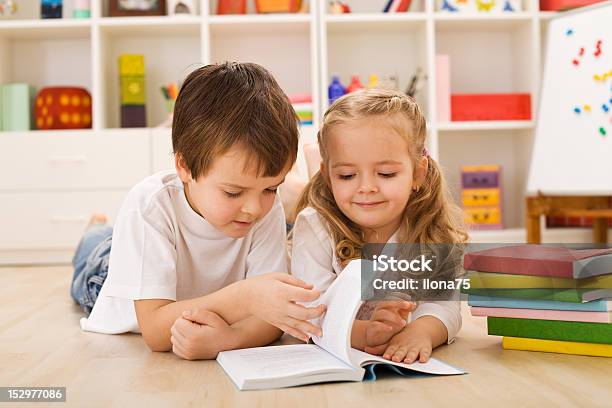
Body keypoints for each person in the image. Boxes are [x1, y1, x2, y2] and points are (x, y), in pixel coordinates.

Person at [70, 62, 326, 360]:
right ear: (185, 167)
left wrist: (231, 338)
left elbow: (272, 314)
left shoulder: (263, 209)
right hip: (115, 281)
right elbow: (154, 330)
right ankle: (94, 230)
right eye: (233, 192)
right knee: (95, 253)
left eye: (271, 189)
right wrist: (246, 297)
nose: (255, 208)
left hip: (194, 295)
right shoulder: (151, 204)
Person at [291, 88, 468, 364]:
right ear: (328, 176)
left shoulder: (433, 230)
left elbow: (445, 305)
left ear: (417, 172)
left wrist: (421, 332)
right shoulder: (315, 227)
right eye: (347, 175)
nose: (367, 188)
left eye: (386, 173)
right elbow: (310, 310)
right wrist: (365, 333)